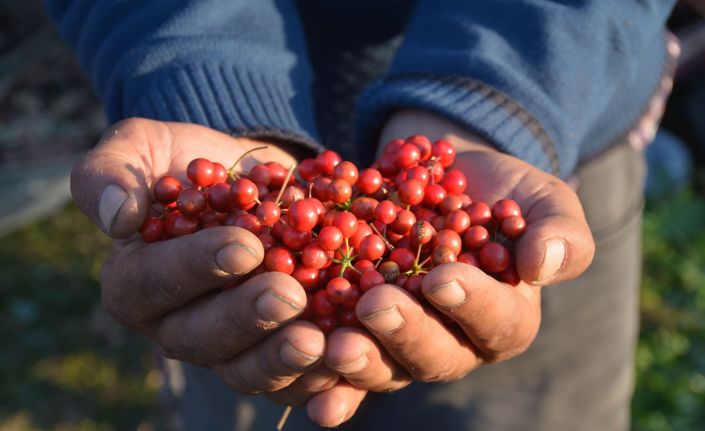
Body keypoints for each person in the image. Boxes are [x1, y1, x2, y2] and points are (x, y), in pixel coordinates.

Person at [45, 1, 678, 429]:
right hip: (223, 130)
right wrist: (202, 80)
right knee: (239, 336)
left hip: (558, 113)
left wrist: (495, 100)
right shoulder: (244, 220)